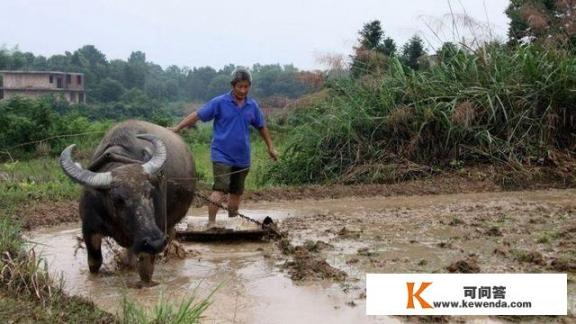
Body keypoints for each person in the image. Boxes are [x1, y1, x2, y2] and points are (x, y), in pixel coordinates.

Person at [170, 68, 278, 227]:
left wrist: (270, 147)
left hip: (242, 157)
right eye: (239, 87)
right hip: (222, 155)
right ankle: (211, 224)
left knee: (236, 193)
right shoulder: (219, 102)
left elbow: (261, 127)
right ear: (233, 86)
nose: (243, 90)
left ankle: (233, 224)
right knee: (219, 190)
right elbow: (198, 115)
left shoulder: (252, 105)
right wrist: (177, 128)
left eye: (246, 87)